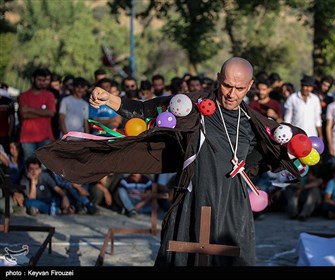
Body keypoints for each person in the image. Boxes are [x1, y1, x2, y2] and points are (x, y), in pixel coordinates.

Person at [36, 57, 303, 266]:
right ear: (217, 79)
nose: (232, 94)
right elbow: (145, 110)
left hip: (233, 207)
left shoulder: (252, 124)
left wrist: (299, 148)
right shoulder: (192, 109)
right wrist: (111, 100)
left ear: (251, 85)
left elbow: (276, 151)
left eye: (240, 88)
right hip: (193, 198)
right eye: (226, 85)